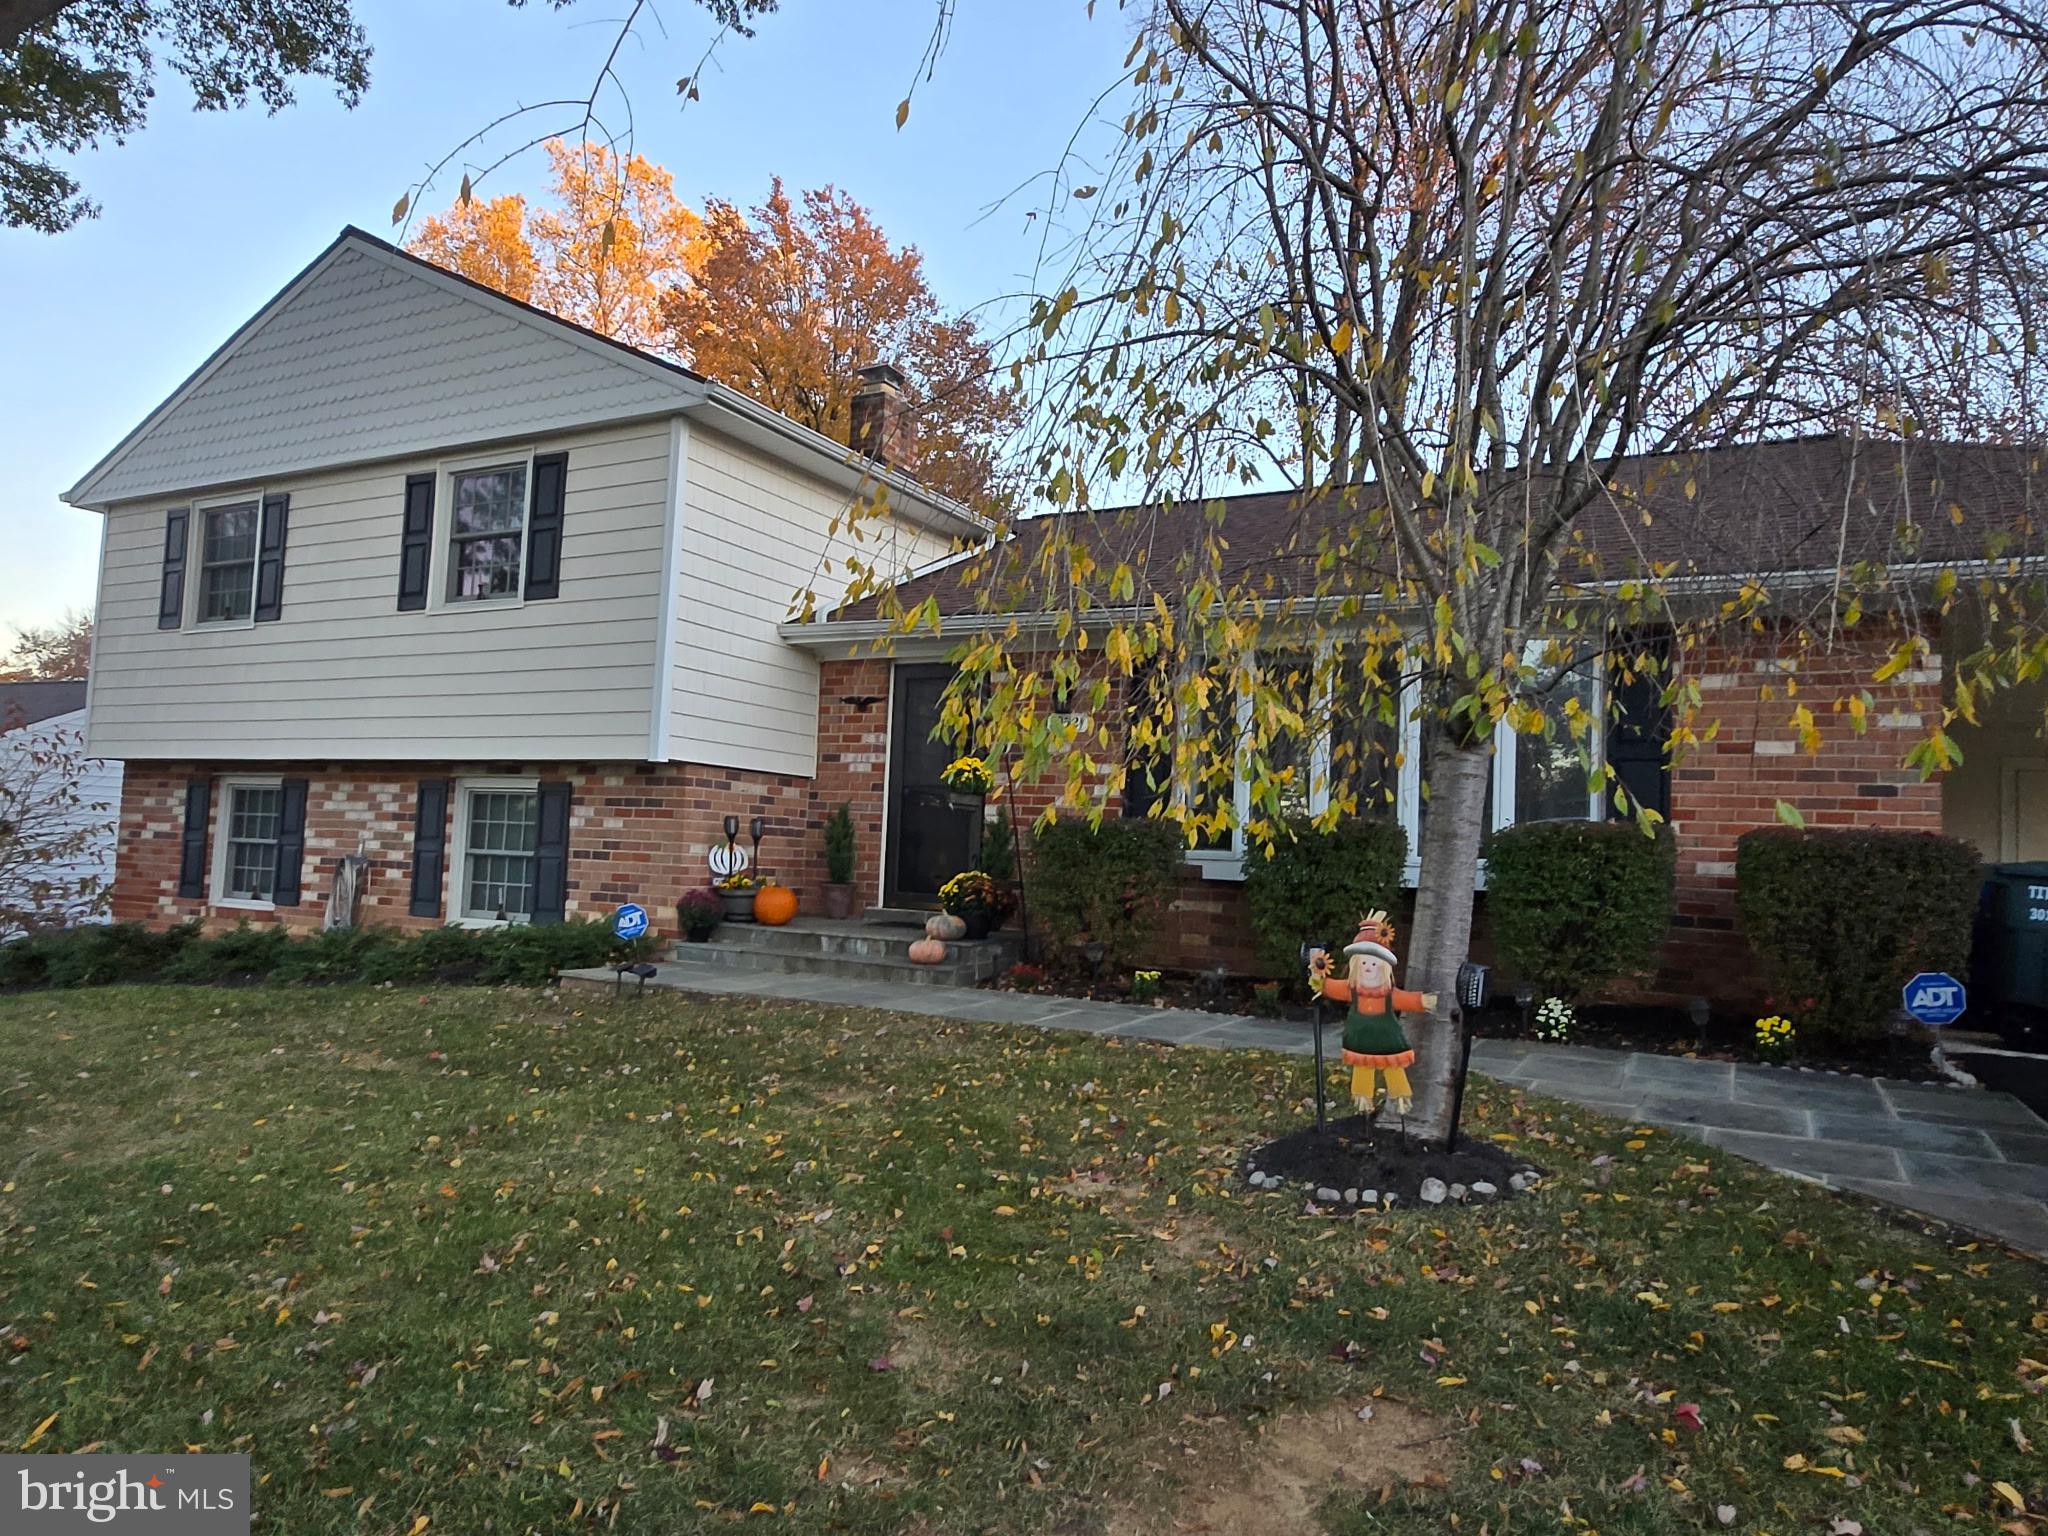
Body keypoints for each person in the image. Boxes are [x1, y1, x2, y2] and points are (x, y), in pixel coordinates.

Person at [1307, 910, 1438, 1116]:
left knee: (1393, 1067)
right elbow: (1330, 987)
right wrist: (1318, 979)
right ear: (1356, 965)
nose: (1368, 967)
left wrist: (1423, 1001)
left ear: (1384, 967)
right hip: (1360, 1040)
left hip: (1388, 1039)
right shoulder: (1352, 989)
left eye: (1374, 963)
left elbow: (1406, 998)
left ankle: (1401, 1098)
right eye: (1364, 963)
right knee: (1362, 1068)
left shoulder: (1388, 993)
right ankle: (1362, 1100)